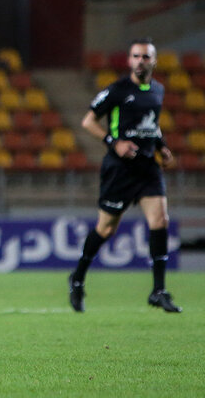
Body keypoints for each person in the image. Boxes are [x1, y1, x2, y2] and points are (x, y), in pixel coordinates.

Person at [69, 38, 180, 313]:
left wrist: (162, 147)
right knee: (106, 228)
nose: (140, 61)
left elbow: (152, 126)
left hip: (147, 167)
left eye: (145, 57)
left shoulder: (158, 91)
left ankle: (159, 290)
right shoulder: (118, 90)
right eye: (135, 56)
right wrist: (113, 142)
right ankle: (78, 277)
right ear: (129, 61)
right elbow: (88, 121)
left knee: (160, 220)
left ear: (154, 61)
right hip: (120, 170)